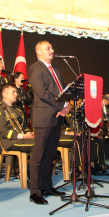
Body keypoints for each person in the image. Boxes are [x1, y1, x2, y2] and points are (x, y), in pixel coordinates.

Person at [28, 40, 71, 204]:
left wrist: (67, 105)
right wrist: (61, 105)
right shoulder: (35, 69)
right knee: (38, 155)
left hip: (57, 117)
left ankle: (46, 186)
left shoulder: (57, 70)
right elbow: (43, 93)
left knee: (50, 155)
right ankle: (34, 191)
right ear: (39, 52)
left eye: (52, 47)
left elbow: (63, 91)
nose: (52, 50)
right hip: (44, 117)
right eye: (48, 48)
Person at [0, 83, 34, 152]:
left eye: (16, 92)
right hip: (10, 142)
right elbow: (3, 131)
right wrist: (23, 136)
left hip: (21, 139)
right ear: (4, 94)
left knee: (42, 142)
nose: (16, 94)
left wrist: (30, 134)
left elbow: (25, 127)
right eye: (13, 92)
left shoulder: (17, 110)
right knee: (39, 145)